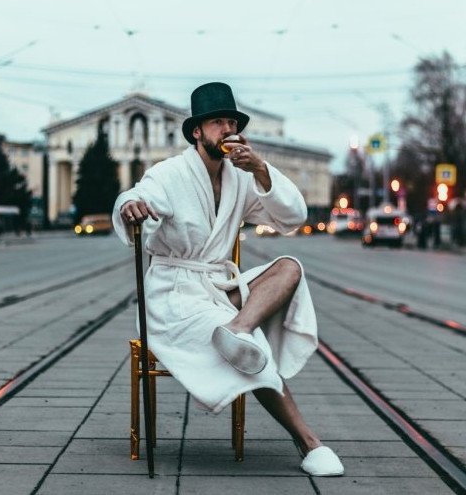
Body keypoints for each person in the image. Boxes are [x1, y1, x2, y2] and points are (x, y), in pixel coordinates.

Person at [112, 82, 344, 476]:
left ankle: (237, 328)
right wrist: (130, 206)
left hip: (218, 287)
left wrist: (262, 170)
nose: (227, 129)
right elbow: (137, 197)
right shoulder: (170, 173)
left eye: (232, 123)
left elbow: (292, 217)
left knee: (289, 267)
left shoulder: (240, 178)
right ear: (197, 131)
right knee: (252, 351)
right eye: (217, 122)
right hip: (173, 296)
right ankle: (309, 442)